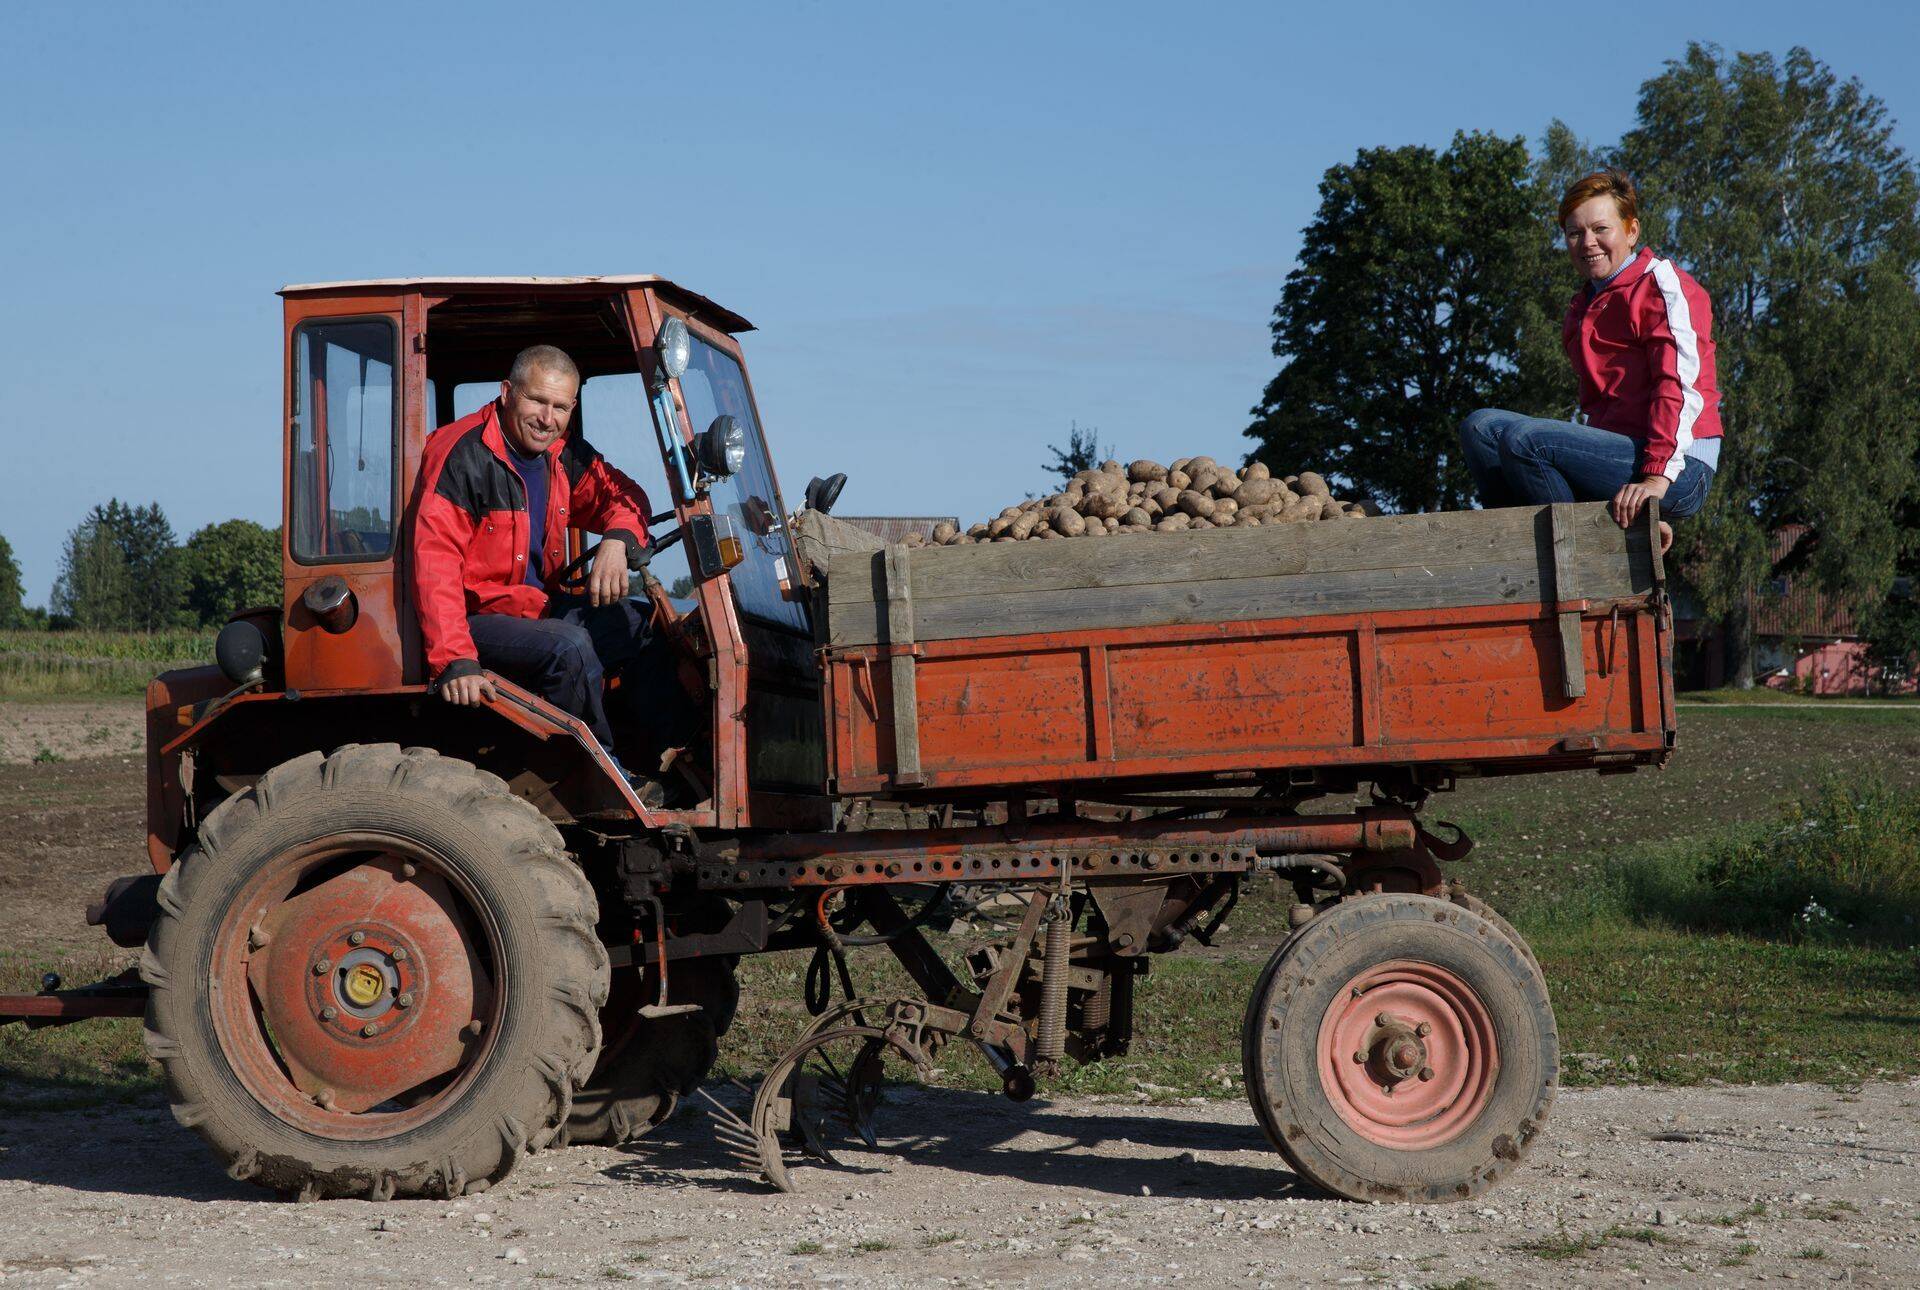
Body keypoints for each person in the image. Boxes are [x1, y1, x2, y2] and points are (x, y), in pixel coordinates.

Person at [409, 343, 658, 776]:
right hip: (474, 617)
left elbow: (626, 497)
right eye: (537, 400)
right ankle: (590, 777)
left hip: (535, 608)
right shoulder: (462, 454)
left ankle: (658, 762)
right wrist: (456, 659)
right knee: (569, 647)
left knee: (643, 627)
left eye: (560, 406)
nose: (548, 418)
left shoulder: (562, 456)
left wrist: (618, 540)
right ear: (507, 392)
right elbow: (435, 562)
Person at [1458, 170, 1721, 550]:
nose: (1588, 242)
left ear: (1631, 231)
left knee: (1525, 440)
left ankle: (1585, 559)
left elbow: (1679, 388)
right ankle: (1518, 554)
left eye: (1601, 229)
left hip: (1679, 466)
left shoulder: (1661, 286)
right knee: (1480, 428)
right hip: (1623, 457)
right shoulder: (1584, 307)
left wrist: (1654, 483)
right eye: (1575, 233)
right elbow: (1599, 411)